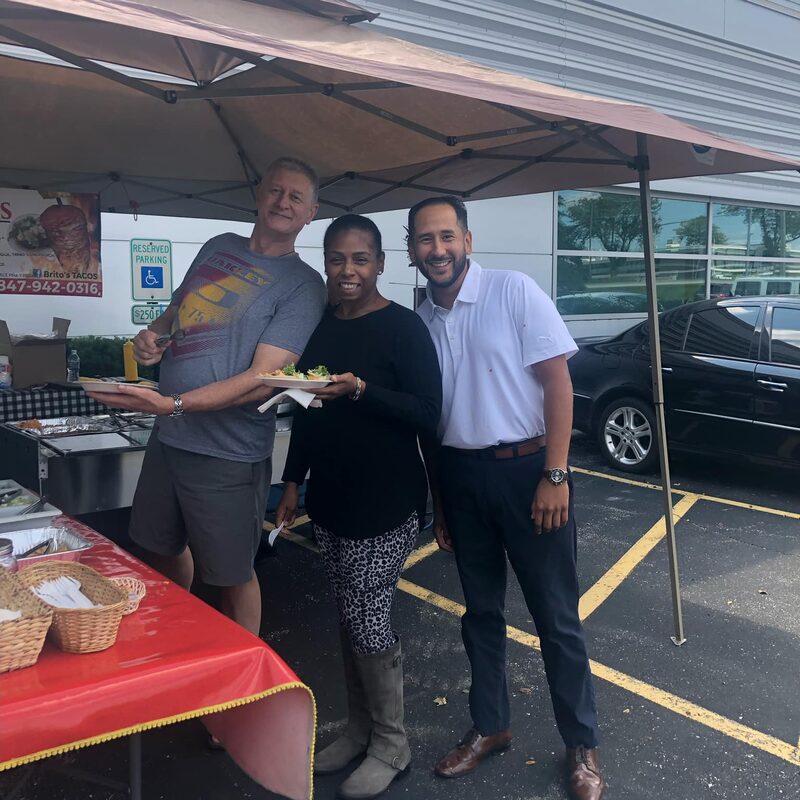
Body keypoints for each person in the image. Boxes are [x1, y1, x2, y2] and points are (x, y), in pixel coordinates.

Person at [409, 196, 605, 800]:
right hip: (462, 481)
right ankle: (490, 727)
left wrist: (555, 474)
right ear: (412, 249)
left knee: (556, 618)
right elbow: (434, 425)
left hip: (528, 474)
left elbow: (558, 381)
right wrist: (441, 503)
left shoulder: (513, 291)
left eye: (446, 237)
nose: (436, 250)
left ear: (467, 240)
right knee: (481, 614)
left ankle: (582, 743)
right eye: (424, 240)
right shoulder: (420, 321)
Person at [88, 156, 327, 637]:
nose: (283, 202)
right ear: (258, 195)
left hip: (228, 453)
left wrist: (175, 404)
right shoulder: (218, 246)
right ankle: (178, 636)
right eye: (275, 190)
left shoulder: (303, 285)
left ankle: (242, 681)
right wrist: (149, 339)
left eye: (295, 197)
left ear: (310, 214)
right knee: (159, 546)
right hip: (170, 439)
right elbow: (176, 312)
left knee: (233, 575)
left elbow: (265, 377)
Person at [276, 214, 442, 800]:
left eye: (361, 259)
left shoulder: (403, 329)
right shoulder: (320, 330)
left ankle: (392, 743)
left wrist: (364, 390)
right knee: (349, 613)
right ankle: (360, 726)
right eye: (338, 259)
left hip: (388, 501)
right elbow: (306, 413)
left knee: (369, 613)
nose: (348, 270)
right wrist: (293, 483)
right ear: (326, 262)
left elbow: (428, 412)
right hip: (332, 498)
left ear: (380, 264)